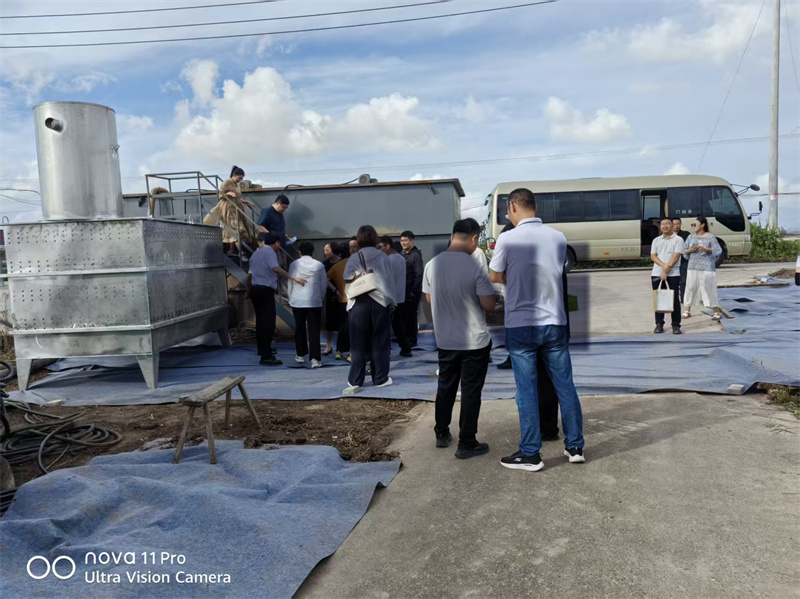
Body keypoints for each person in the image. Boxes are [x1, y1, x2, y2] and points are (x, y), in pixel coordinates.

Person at [489, 188, 585, 471]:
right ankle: (575, 446)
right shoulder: (558, 237)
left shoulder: (507, 238)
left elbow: (495, 275)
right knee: (565, 385)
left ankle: (531, 454)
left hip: (521, 323)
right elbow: (555, 272)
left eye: (507, 211)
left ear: (513, 207)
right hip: (554, 321)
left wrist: (515, 277)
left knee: (527, 390)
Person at [423, 219, 496, 459]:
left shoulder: (432, 265)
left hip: (445, 339)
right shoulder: (475, 266)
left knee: (445, 386)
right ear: (473, 238)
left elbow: (430, 300)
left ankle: (441, 432)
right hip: (474, 340)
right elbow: (488, 304)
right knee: (470, 391)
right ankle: (467, 443)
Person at [342, 225, 396, 395]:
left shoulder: (354, 257)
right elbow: (389, 280)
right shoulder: (383, 256)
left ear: (359, 239)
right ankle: (380, 377)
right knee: (380, 341)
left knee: (357, 343)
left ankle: (356, 380)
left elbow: (347, 278)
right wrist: (391, 301)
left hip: (359, 302)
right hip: (380, 301)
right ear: (375, 238)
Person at [247, 233, 307, 366]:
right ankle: (266, 356)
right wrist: (294, 278)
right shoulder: (270, 252)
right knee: (268, 323)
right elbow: (275, 268)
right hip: (264, 290)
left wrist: (249, 290)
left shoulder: (256, 253)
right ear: (277, 243)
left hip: (256, 290)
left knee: (261, 322)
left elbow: (249, 275)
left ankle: (263, 348)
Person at [288, 241, 328, 367]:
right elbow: (324, 284)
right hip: (314, 301)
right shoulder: (319, 265)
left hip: (297, 300)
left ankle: (300, 354)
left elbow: (290, 282)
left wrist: (290, 297)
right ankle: (315, 359)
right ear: (313, 252)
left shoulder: (294, 264)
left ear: (299, 253)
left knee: (300, 327)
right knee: (314, 329)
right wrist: (320, 298)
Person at [204, 165, 258, 255]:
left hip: (237, 208)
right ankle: (241, 253)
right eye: (239, 178)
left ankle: (232, 250)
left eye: (241, 179)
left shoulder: (237, 185)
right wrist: (228, 193)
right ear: (234, 174)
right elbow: (220, 196)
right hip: (229, 208)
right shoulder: (226, 183)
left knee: (237, 230)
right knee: (238, 229)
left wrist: (246, 202)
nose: (239, 180)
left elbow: (236, 198)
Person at [682, 216, 723, 321]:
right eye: (693, 225)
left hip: (707, 267)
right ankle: (687, 310)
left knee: (710, 287)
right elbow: (684, 251)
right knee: (690, 287)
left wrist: (707, 249)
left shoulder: (710, 237)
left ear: (703, 225)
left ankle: (716, 312)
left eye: (695, 224)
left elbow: (718, 250)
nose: (693, 227)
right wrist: (690, 250)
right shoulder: (691, 237)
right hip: (693, 266)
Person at [378, 235, 412, 357]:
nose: (379, 249)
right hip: (400, 296)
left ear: (387, 246)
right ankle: (406, 348)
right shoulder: (401, 259)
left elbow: (386, 280)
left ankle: (385, 351)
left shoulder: (388, 260)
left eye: (380, 246)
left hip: (390, 298)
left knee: (385, 327)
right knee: (397, 326)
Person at [650, 217, 685, 334]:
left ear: (672, 225)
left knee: (674, 300)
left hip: (673, 274)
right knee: (659, 298)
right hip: (656, 273)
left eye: (668, 224)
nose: (665, 226)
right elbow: (653, 256)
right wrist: (663, 266)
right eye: (663, 224)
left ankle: (676, 325)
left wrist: (666, 270)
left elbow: (676, 256)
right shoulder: (656, 240)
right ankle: (659, 324)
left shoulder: (678, 240)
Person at [326, 242, 353, 361]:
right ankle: (352, 352)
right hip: (355, 300)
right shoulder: (356, 264)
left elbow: (326, 279)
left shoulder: (337, 266)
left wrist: (336, 290)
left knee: (342, 327)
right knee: (354, 327)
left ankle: (339, 351)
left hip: (342, 300)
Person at [400, 230, 424, 348]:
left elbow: (419, 275)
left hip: (412, 292)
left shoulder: (415, 256)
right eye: (402, 241)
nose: (403, 243)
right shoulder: (403, 254)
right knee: (404, 316)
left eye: (406, 240)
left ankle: (412, 340)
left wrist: (413, 292)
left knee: (411, 316)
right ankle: (405, 338)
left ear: (412, 241)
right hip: (403, 291)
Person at [322, 242, 342, 355]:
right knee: (329, 321)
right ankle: (328, 346)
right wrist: (335, 290)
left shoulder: (343, 262)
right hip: (331, 294)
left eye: (327, 250)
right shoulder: (324, 265)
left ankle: (340, 348)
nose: (325, 252)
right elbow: (325, 279)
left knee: (342, 321)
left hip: (343, 294)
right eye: (324, 250)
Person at [672, 218, 690, 304]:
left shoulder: (686, 234)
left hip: (683, 261)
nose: (676, 226)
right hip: (672, 262)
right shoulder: (669, 236)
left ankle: (683, 298)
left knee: (683, 281)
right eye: (674, 224)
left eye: (678, 224)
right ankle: (673, 299)